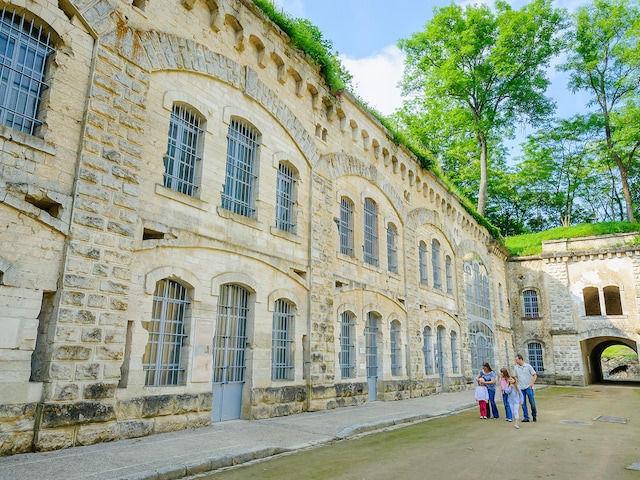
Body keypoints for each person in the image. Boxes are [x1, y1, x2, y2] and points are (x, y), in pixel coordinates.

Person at [514, 354, 537, 422]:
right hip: (521, 387)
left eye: (517, 360)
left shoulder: (528, 366)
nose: (516, 361)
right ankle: (526, 417)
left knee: (532, 402)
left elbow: (534, 375)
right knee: (523, 403)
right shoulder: (516, 368)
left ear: (520, 359)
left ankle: (534, 415)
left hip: (528, 387)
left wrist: (532, 383)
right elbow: (515, 377)